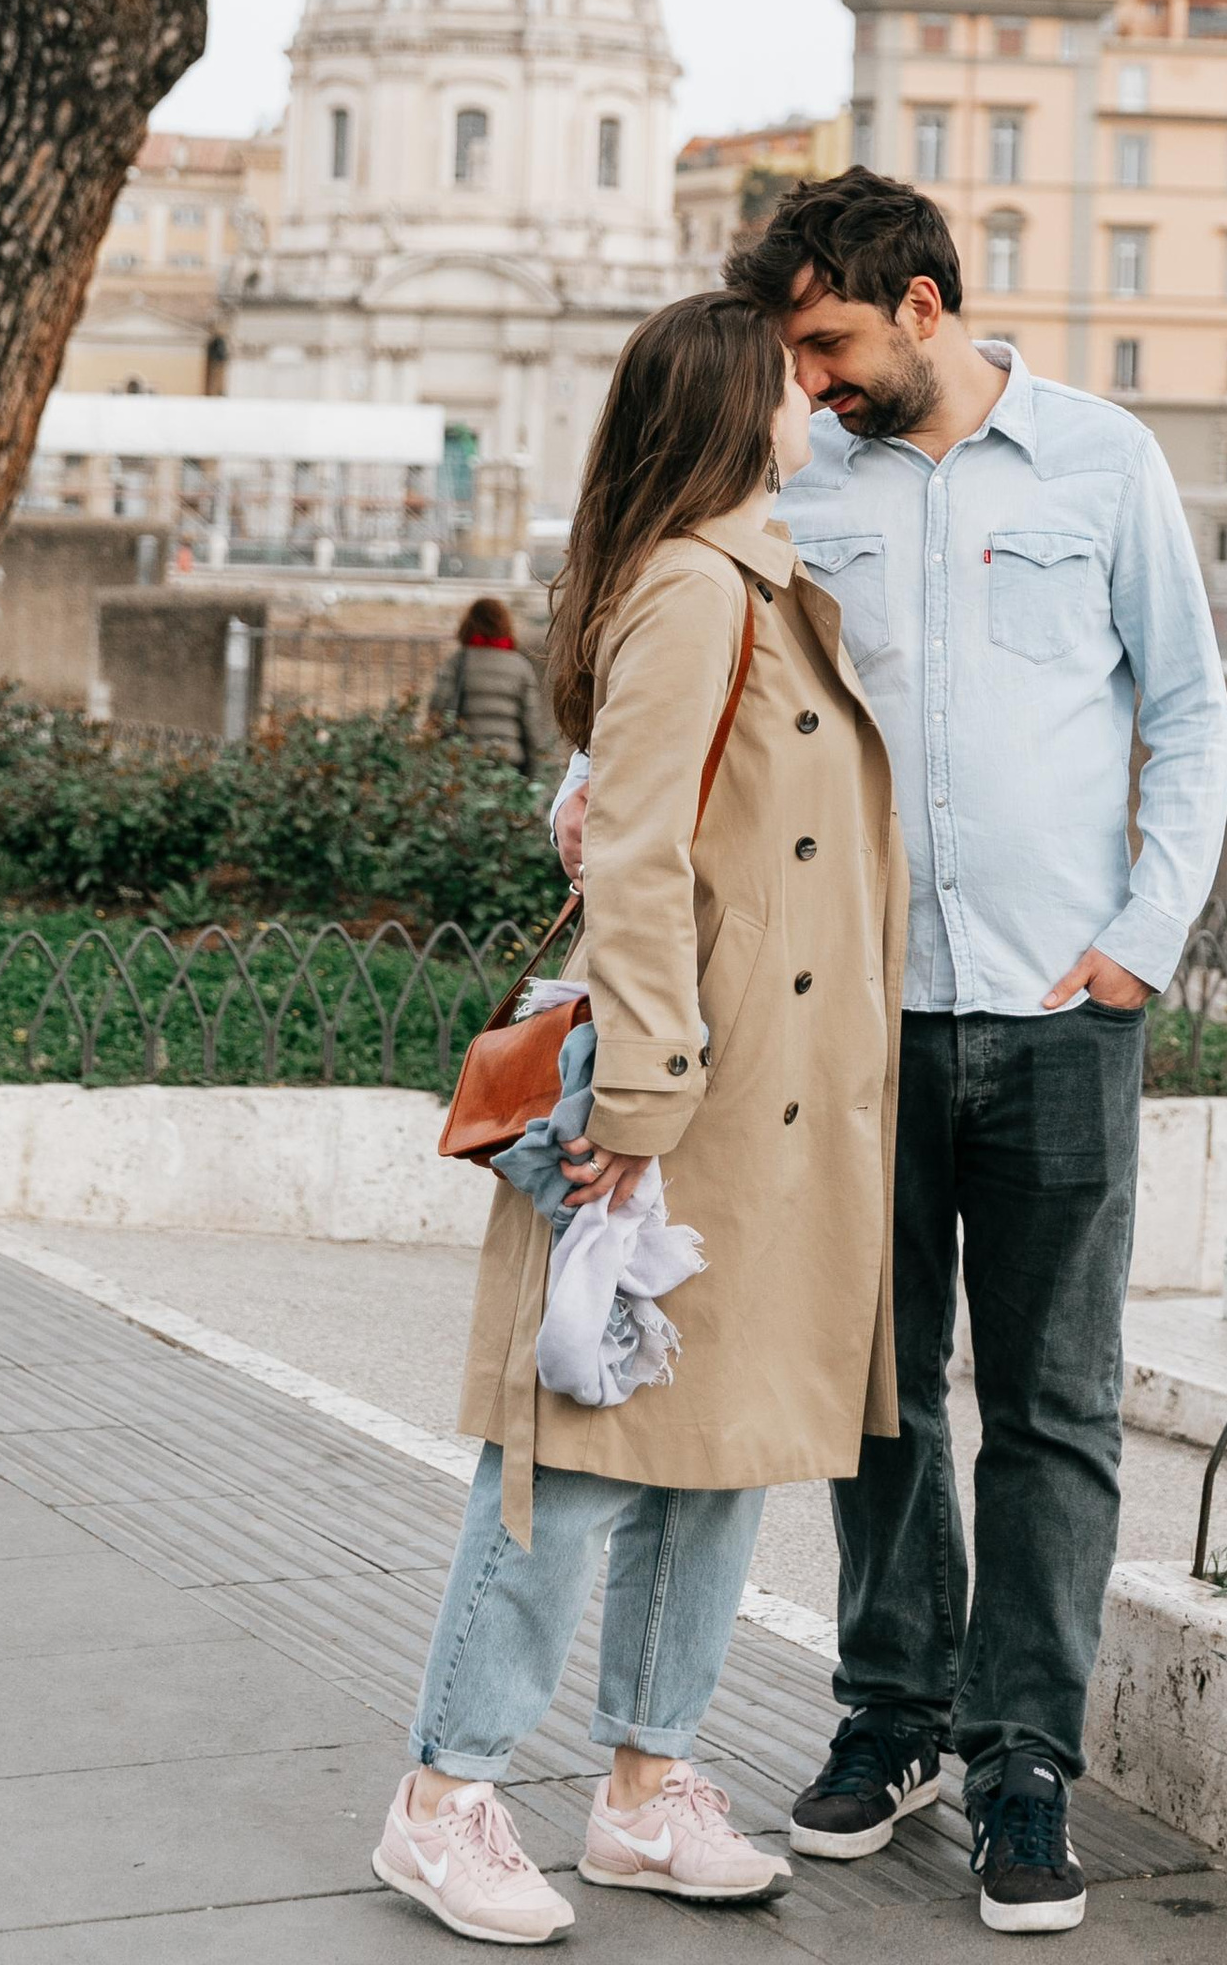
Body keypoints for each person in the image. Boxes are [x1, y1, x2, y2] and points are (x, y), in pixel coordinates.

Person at [553, 171, 1227, 1934]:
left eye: (833, 343)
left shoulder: (1104, 464)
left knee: (1057, 1407)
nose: (815, 379)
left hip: (1059, 1016)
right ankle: (894, 1716)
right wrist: (588, 804)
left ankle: (1024, 1761)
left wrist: (1139, 947)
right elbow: (682, 672)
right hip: (838, 1026)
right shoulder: (790, 479)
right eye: (796, 354)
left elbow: (1188, 713)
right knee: (876, 1397)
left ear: (923, 304)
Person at [377, 290, 905, 1944]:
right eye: (790, 383)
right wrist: (655, 1089)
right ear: (741, 411)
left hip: (773, 1108)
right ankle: (444, 1799)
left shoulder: (749, 577)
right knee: (581, 1453)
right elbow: (642, 855)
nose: (814, 403)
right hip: (684, 1094)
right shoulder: (696, 590)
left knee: (721, 1451)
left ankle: (641, 1791)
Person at [433, 592, 555, 769]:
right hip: (509, 763)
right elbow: (531, 722)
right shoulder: (520, 666)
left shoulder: (457, 662)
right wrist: (536, 768)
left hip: (465, 762)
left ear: (468, 625)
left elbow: (438, 709)